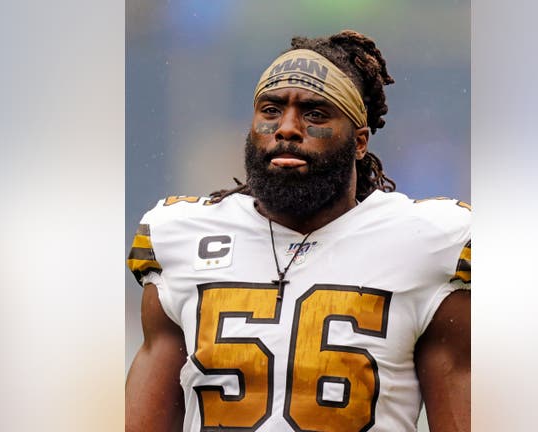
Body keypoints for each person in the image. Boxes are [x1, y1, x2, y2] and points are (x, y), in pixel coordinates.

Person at [126, 30, 471, 432]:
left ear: (360, 142)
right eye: (270, 110)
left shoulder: (427, 245)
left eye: (315, 114)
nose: (287, 128)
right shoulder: (180, 237)